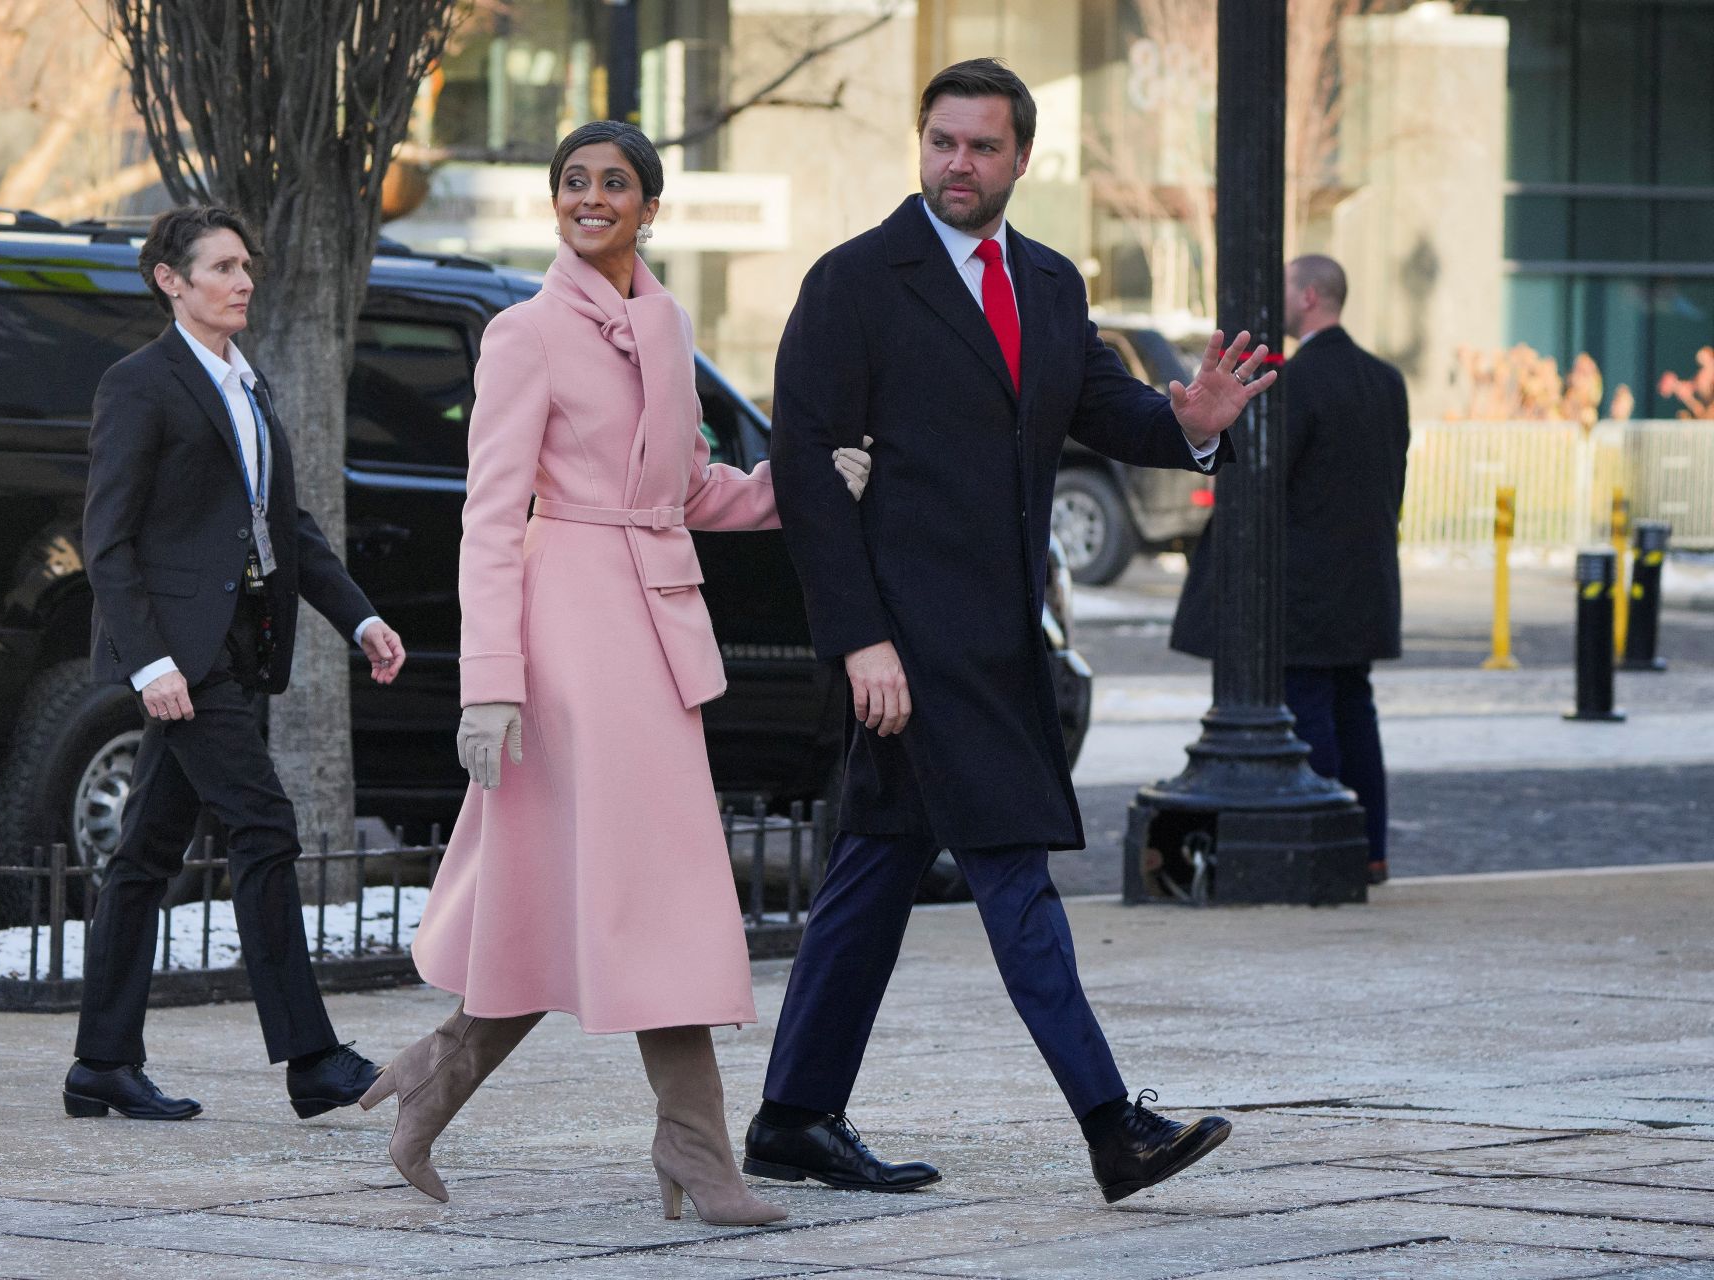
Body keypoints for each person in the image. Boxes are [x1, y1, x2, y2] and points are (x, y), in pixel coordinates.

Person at [750, 58, 1272, 1206]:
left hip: (1002, 634)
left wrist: (1187, 424)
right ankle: (1110, 1122)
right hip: (910, 645)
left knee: (874, 872)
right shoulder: (853, 282)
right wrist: (859, 640)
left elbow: (1097, 400)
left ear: (1021, 157)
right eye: (941, 141)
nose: (957, 164)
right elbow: (804, 470)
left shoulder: (1047, 279)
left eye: (982, 146)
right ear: (920, 143)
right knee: (1012, 873)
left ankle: (791, 1115)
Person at [372, 121, 872, 1227]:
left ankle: (438, 1079)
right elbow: (491, 519)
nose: (590, 197)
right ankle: (694, 1150)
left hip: (654, 633)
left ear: (652, 206)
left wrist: (799, 482)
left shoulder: (664, 321)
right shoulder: (524, 333)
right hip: (567, 640)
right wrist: (489, 680)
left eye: (615, 183)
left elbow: (686, 490)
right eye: (573, 182)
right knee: (645, 892)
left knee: (596, 896)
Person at [65, 205, 407, 1123]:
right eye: (221, 267)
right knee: (264, 827)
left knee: (142, 859)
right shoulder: (141, 384)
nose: (243, 280)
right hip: (185, 663)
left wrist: (358, 618)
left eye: (245, 265)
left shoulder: (247, 383)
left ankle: (101, 1062)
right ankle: (311, 1058)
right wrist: (150, 665)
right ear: (170, 281)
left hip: (234, 650)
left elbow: (282, 526)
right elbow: (109, 542)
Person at [1171, 254, 1409, 886]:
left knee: (1308, 715)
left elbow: (1261, 485)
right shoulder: (1387, 381)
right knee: (1355, 708)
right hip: (1366, 581)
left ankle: (1326, 847)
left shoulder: (1295, 383)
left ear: (1307, 298)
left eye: (1281, 291)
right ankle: (1369, 847)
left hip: (1301, 589)